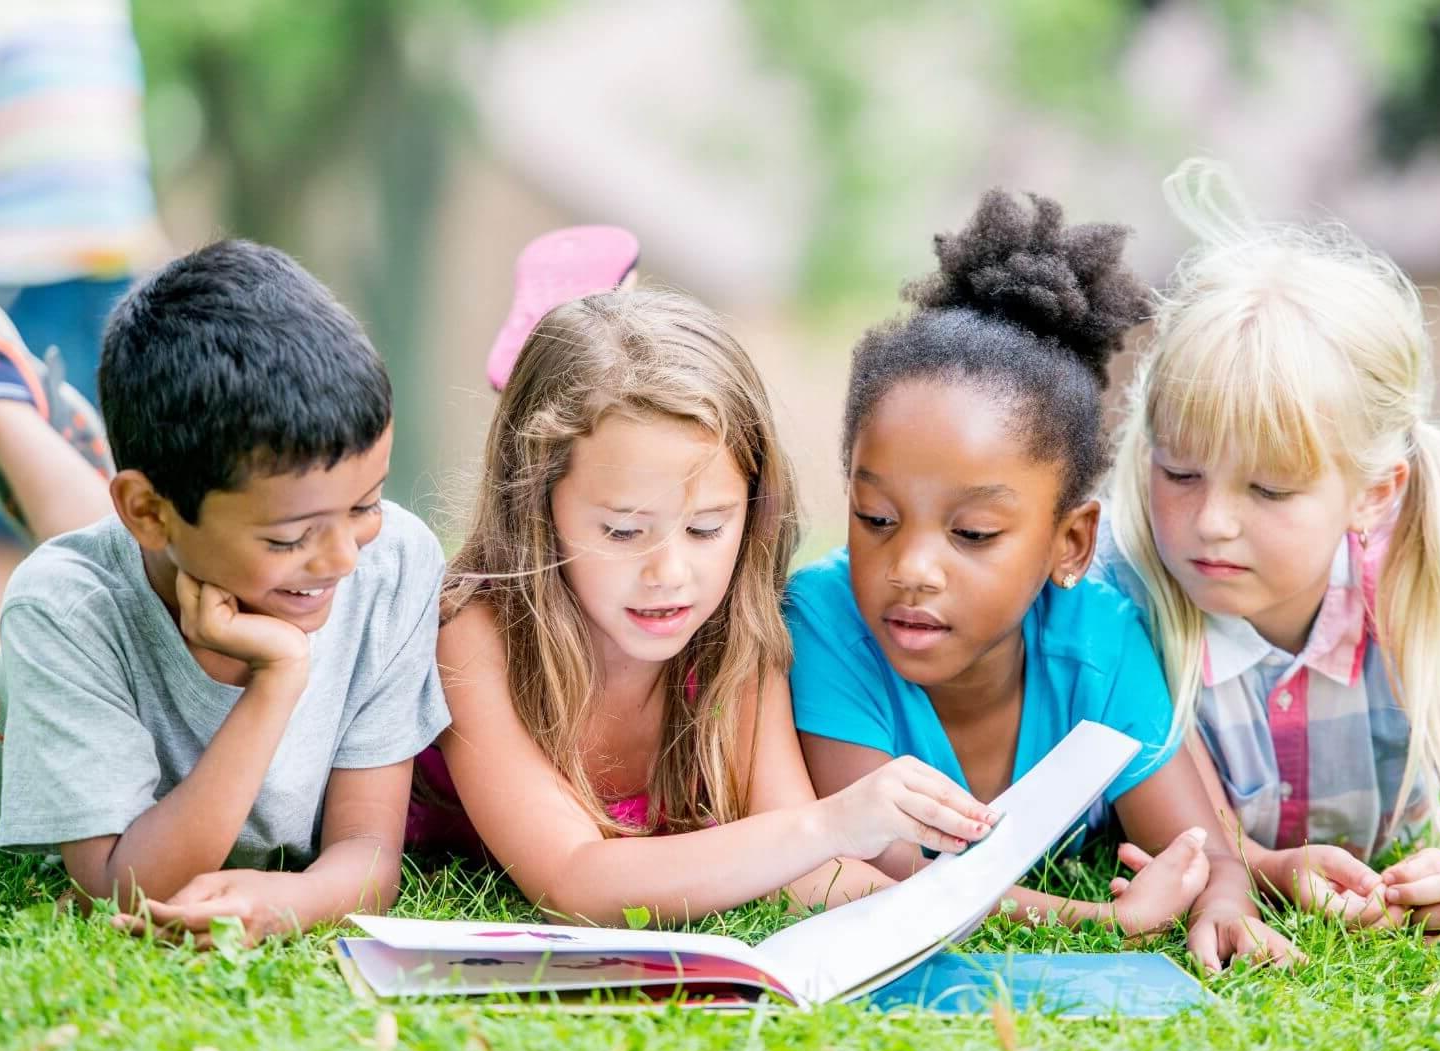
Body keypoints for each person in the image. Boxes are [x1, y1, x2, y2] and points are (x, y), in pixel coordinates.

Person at [787, 189, 1298, 972]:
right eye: (876, 518)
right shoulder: (824, 624)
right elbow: (899, 874)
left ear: (1070, 543)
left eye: (973, 534)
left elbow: (1202, 849)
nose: (913, 569)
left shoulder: (1101, 641)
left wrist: (1224, 901)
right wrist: (1099, 920)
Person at [0, 240, 446, 946]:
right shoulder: (63, 609)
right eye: (289, 537)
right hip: (122, 558)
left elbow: (368, 851)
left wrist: (299, 900)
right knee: (97, 561)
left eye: (365, 504)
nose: (341, 560)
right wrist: (276, 680)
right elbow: (121, 888)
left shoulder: (393, 561)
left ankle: (62, 442)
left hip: (156, 527)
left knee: (114, 537)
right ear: (150, 510)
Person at [1095, 160, 1440, 950]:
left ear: (1373, 491)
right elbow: (1206, 853)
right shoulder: (1127, 597)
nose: (1211, 522)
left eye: (1269, 491)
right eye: (1180, 472)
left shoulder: (1417, 585)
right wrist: (1274, 870)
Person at [414, 286, 1001, 926]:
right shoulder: (477, 635)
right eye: (623, 532)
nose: (669, 574)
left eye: (705, 529)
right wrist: (830, 823)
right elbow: (572, 881)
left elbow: (802, 871)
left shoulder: (733, 637)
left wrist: (1047, 912)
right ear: (537, 506)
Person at [0, 0, 167, 646]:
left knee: (120, 461)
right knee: (10, 460)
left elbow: (121, 156)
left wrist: (158, 264)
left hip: (116, 271)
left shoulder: (105, 14)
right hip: (23, 271)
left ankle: (114, 646)